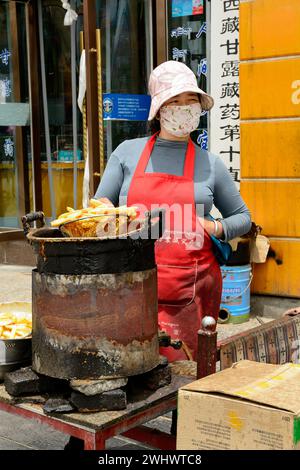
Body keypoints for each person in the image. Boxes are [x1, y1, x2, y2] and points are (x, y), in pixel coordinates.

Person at [95, 60, 251, 362]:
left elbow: (243, 218)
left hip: (190, 295)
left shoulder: (210, 163)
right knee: (131, 369)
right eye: (174, 101)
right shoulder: (127, 152)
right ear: (159, 110)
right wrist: (108, 214)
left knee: (186, 380)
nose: (183, 108)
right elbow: (100, 204)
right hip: (131, 286)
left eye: (190, 101)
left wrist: (215, 228)